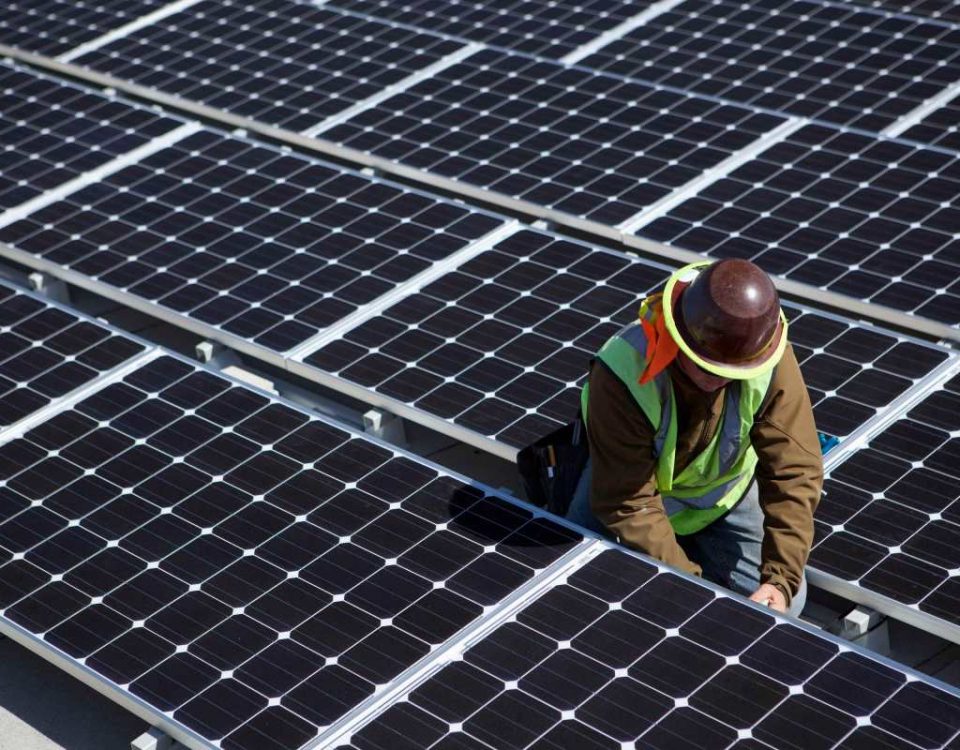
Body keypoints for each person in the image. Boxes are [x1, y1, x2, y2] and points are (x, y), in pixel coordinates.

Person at [566, 258, 822, 616]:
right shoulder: (621, 372)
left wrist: (779, 580)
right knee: (576, 583)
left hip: (723, 496)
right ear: (677, 336)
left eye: (732, 371)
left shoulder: (765, 355)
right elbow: (629, 503)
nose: (717, 378)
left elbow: (796, 471)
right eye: (705, 364)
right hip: (627, 491)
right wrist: (693, 587)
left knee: (785, 607)